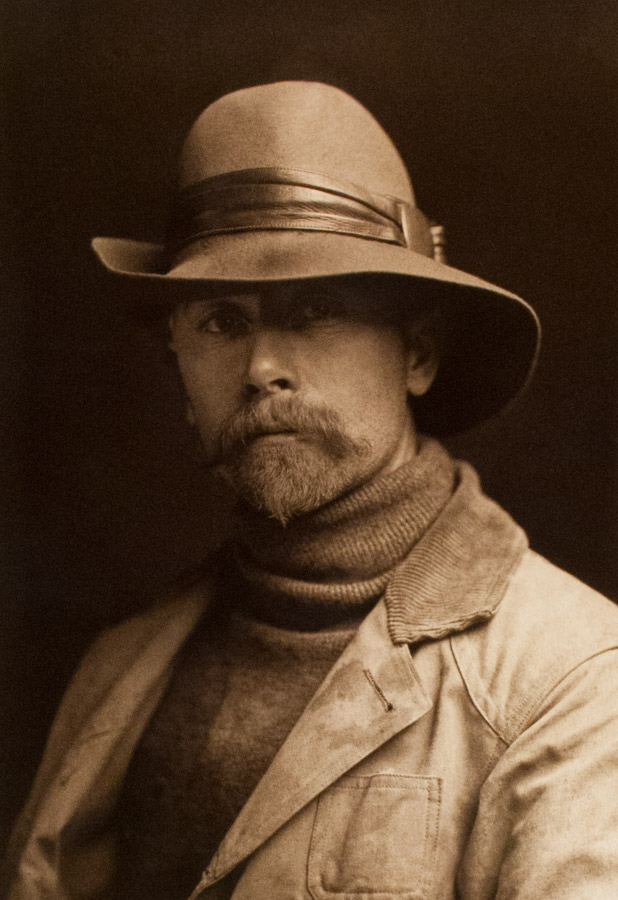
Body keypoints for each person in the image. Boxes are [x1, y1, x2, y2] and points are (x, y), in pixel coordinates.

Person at [4, 81, 618, 900]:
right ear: (181, 375)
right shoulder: (121, 663)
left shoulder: (572, 676)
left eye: (315, 311)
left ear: (419, 354)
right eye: (222, 322)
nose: (262, 370)